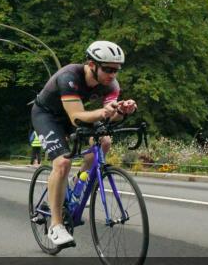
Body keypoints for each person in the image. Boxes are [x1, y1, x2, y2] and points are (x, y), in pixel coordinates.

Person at [31, 41, 137, 246]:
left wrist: (122, 110)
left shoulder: (111, 84)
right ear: (91, 64)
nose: (112, 75)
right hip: (48, 116)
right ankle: (56, 224)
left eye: (116, 70)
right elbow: (76, 118)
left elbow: (109, 115)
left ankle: (78, 184)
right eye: (107, 69)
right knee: (62, 163)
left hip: (76, 114)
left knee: (104, 141)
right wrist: (104, 112)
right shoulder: (69, 76)